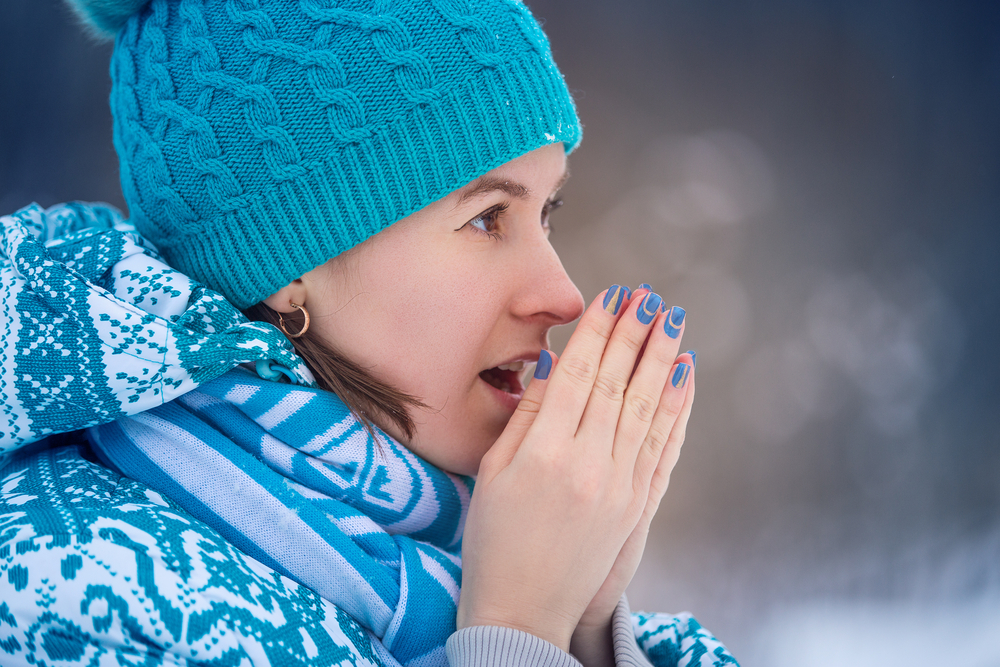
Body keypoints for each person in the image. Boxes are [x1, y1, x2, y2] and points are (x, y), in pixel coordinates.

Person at [0, 1, 739, 665]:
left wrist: (583, 628)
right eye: (487, 218)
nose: (563, 294)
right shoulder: (77, 593)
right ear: (291, 263)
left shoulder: (450, 548)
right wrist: (516, 632)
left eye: (547, 215)